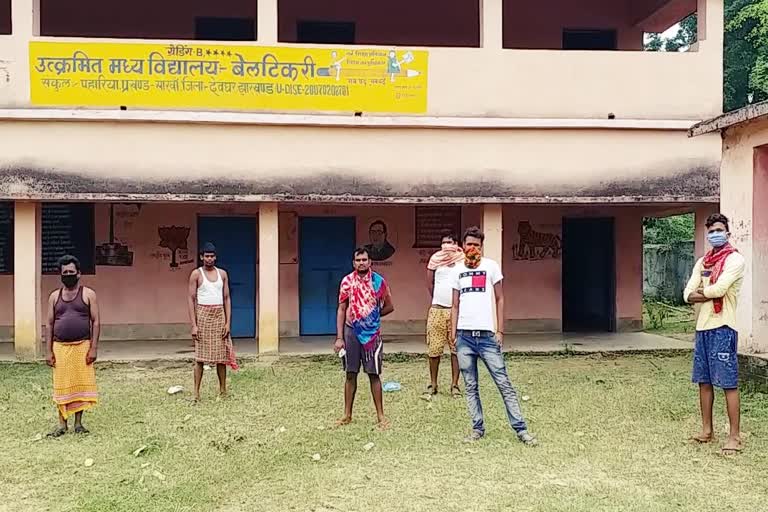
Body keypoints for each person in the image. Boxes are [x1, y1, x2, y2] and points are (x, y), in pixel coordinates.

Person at [450, 227, 536, 445]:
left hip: (487, 337)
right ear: (463, 245)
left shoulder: (491, 267)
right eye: (469, 244)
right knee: (470, 385)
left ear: (481, 247)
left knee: (503, 382)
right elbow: (455, 304)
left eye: (476, 245)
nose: (472, 248)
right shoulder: (456, 270)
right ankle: (477, 428)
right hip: (464, 338)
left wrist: (500, 330)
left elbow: (500, 298)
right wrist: (453, 333)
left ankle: (521, 429)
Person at [683, 213, 746, 454]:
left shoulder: (734, 260)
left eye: (719, 230)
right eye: (710, 231)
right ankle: (707, 430)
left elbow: (720, 289)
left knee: (728, 383)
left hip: (723, 327)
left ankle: (734, 436)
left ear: (728, 233)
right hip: (703, 328)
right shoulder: (703, 262)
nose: (714, 234)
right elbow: (686, 294)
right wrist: (706, 293)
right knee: (704, 381)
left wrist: (703, 291)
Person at [333, 247, 395, 429]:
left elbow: (390, 306)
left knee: (374, 374)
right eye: (358, 260)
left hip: (372, 335)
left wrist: (371, 317)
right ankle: (347, 415)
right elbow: (342, 309)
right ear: (354, 263)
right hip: (351, 332)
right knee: (350, 374)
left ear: (370, 262)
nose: (361, 263)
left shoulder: (378, 282)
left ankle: (381, 417)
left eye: (364, 260)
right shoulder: (347, 282)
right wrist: (339, 337)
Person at [45, 255, 100, 437]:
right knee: (62, 385)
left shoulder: (89, 294)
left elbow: (96, 321)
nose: (68, 275)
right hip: (60, 348)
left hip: (82, 347)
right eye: (65, 272)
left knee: (79, 386)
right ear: (60, 274)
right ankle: (62, 425)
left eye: (71, 272)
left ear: (79, 274)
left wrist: (93, 348)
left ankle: (78, 423)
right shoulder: (54, 296)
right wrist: (48, 351)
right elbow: (50, 324)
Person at [187, 242, 238, 402]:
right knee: (200, 358)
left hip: (219, 316)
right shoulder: (196, 274)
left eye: (212, 256)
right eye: (206, 256)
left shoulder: (222, 274)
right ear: (202, 257)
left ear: (215, 257)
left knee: (221, 357)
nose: (209, 259)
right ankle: (196, 393)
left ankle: (223, 391)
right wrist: (194, 325)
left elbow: (227, 298)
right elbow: (191, 298)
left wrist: (228, 323)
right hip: (202, 316)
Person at [423, 232, 464, 399]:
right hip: (437, 310)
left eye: (449, 242)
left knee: (456, 350)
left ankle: (455, 385)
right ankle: (433, 384)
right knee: (434, 350)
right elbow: (429, 283)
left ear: (456, 243)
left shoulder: (463, 260)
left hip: (457, 311)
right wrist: (439, 298)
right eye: (444, 242)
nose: (446, 245)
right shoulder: (435, 260)